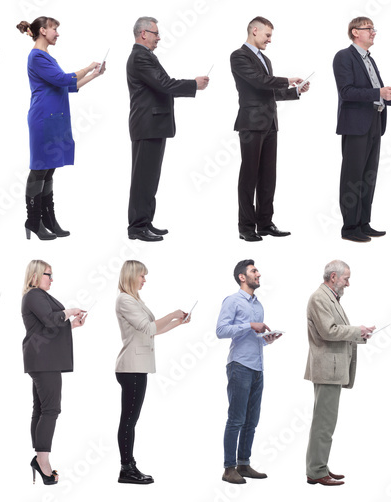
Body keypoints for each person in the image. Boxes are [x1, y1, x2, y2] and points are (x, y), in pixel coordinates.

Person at [16, 16, 104, 240]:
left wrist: (94, 75)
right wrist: (88, 66)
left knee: (50, 168)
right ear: (43, 31)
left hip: (55, 119)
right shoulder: (36, 56)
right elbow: (64, 78)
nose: (58, 33)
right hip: (44, 119)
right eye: (55, 29)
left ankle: (49, 219)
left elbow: (67, 86)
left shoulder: (47, 57)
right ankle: (33, 221)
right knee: (39, 169)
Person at [127, 16, 209, 242]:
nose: (159, 37)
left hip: (154, 126)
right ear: (143, 33)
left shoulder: (146, 56)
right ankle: (136, 227)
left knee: (150, 178)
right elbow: (164, 84)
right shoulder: (139, 57)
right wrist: (194, 85)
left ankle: (145, 221)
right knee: (143, 179)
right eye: (155, 33)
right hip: (147, 126)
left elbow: (163, 83)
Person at [230, 17, 308, 242]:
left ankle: (265, 223)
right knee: (249, 176)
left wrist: (296, 91)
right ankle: (246, 227)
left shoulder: (266, 59)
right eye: (267, 35)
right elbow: (258, 82)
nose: (270, 40)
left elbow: (268, 91)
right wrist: (287, 80)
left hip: (270, 123)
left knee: (268, 176)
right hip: (251, 123)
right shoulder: (238, 56)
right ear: (255, 31)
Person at [333, 17, 391, 242]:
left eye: (373, 29)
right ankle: (349, 228)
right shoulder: (344, 57)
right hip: (356, 125)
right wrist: (379, 93)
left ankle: (363, 223)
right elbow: (346, 91)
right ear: (355, 32)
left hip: (375, 123)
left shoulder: (370, 59)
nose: (373, 32)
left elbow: (376, 92)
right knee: (352, 178)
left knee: (368, 177)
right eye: (369, 29)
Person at [114, 260, 189, 484]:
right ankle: (126, 468)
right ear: (131, 276)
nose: (144, 280)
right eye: (142, 276)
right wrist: (174, 312)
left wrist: (179, 322)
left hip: (138, 367)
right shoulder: (124, 299)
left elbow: (152, 332)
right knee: (128, 420)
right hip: (131, 368)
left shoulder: (135, 299)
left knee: (131, 419)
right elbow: (149, 327)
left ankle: (129, 466)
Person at [304, 260, 374, 485]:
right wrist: (357, 330)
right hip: (327, 369)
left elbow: (336, 331)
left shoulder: (330, 298)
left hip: (331, 369)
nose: (349, 283)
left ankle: (319, 466)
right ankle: (316, 471)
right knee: (323, 423)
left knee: (326, 422)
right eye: (346, 278)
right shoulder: (319, 298)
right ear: (333, 276)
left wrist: (360, 335)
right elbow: (329, 331)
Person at [216, 259, 282, 483]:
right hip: (239, 366)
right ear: (242, 277)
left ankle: (243, 464)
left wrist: (267, 340)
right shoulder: (232, 301)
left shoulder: (258, 305)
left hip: (257, 367)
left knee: (251, 420)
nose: (259, 274)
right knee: (236, 419)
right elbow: (221, 330)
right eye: (254, 271)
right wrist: (249, 325)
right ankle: (228, 468)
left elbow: (254, 338)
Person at [21, 260, 86, 485]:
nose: (51, 278)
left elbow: (47, 326)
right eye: (48, 274)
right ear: (36, 275)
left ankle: (39, 457)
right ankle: (42, 461)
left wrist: (72, 324)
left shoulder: (39, 296)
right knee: (50, 409)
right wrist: (69, 311)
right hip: (43, 360)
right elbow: (51, 319)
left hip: (42, 359)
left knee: (41, 409)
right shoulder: (34, 295)